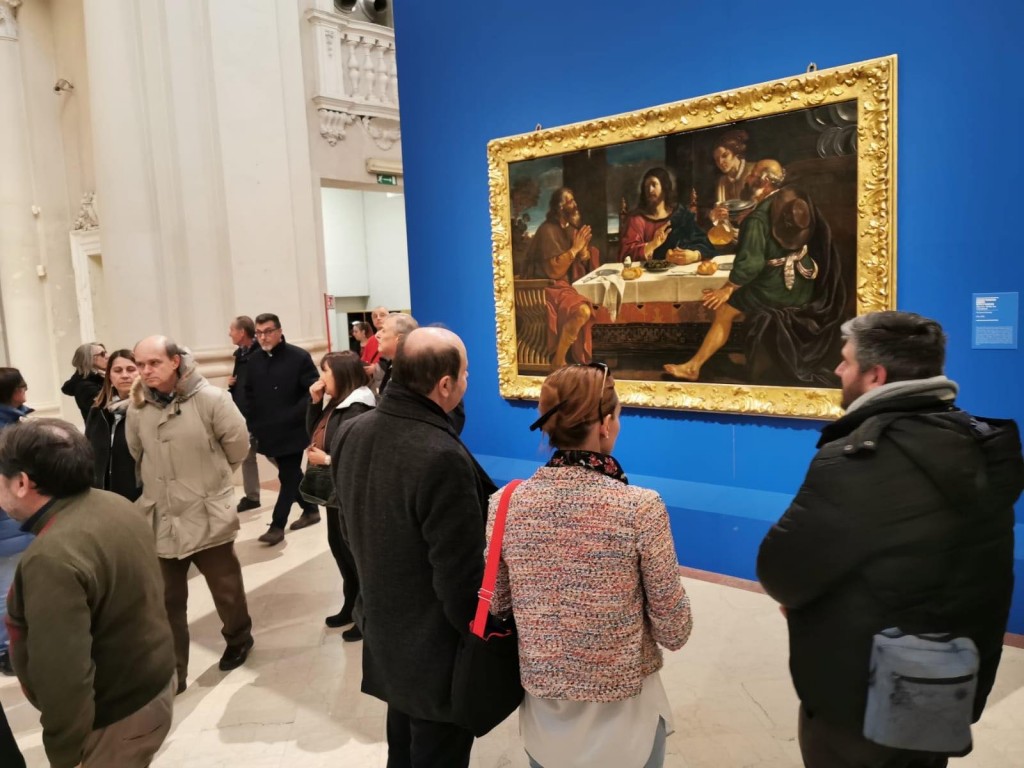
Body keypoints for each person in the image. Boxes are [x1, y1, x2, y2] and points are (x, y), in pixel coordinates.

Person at [757, 311, 1022, 768]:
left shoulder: (857, 459)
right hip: (948, 677)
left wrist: (800, 601)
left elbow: (782, 570)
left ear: (875, 375)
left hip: (861, 688)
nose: (838, 370)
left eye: (845, 361)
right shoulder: (981, 443)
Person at [490, 364, 693, 768]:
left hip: (546, 713)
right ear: (603, 425)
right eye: (617, 416)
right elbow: (675, 630)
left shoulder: (505, 505)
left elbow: (498, 603)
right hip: (626, 717)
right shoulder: (640, 507)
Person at [331, 327, 496, 768]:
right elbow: (459, 577)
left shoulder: (352, 430)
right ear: (445, 384)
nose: (467, 381)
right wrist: (480, 640)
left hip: (386, 631)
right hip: (434, 649)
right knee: (436, 752)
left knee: (402, 746)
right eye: (465, 373)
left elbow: (348, 529)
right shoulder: (441, 455)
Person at [0, 418, 176, 767]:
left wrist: (64, 752)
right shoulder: (113, 503)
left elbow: (64, 676)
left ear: (21, 483)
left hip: (115, 718)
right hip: (153, 687)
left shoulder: (51, 557)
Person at [127, 336, 254, 692]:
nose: (145, 371)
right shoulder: (137, 409)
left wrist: (212, 482)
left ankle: (239, 638)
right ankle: (174, 671)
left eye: (154, 362)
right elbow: (137, 453)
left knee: (226, 589)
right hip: (161, 517)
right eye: (140, 364)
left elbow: (238, 446)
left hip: (206, 512)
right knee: (166, 601)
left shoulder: (212, 399)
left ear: (175, 361)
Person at [664, 159, 846, 384]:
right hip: (803, 283)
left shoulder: (757, 218)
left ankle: (693, 367)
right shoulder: (792, 198)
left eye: (752, 175)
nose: (748, 178)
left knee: (724, 310)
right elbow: (777, 240)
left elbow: (750, 264)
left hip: (779, 289)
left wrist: (727, 289)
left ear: (765, 181)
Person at [306, 350, 375, 642]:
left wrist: (326, 460)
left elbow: (360, 454)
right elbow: (314, 432)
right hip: (334, 490)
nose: (321, 378)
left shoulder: (359, 407)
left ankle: (364, 615)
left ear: (342, 374)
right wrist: (314, 403)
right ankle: (350, 605)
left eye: (326, 371)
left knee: (354, 554)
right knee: (339, 548)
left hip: (350, 490)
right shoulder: (337, 402)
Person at [244, 313, 321, 545]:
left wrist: (297, 416)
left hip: (293, 429)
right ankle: (311, 509)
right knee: (291, 474)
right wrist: (252, 420)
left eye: (268, 331)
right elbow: (249, 394)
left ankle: (277, 525)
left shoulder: (299, 357)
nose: (263, 337)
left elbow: (312, 391)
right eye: (259, 333)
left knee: (287, 476)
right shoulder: (253, 360)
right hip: (266, 430)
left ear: (279, 331)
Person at [525, 187, 599, 367]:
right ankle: (559, 360)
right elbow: (554, 270)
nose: (575, 205)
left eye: (574, 200)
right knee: (582, 311)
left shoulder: (571, 230)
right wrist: (575, 250)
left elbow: (579, 263)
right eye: (570, 201)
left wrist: (584, 255)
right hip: (546, 288)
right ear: (559, 207)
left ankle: (563, 359)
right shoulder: (547, 231)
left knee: (589, 306)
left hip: (564, 288)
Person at [0, 368, 33, 678]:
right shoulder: (6, 431)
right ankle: (6, 650)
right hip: (8, 522)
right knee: (7, 590)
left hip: (12, 522)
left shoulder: (11, 425)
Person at [618, 167, 714, 265]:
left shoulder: (681, 214)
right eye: (646, 186)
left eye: (654, 184)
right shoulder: (636, 219)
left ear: (664, 187)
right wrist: (652, 244)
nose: (650, 190)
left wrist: (695, 255)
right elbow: (625, 256)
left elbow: (705, 243)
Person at [84, 349, 141, 501]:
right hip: (104, 496)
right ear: (109, 375)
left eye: (131, 369)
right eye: (117, 370)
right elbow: (88, 453)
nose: (124, 375)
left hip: (139, 497)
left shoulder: (147, 410)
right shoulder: (98, 411)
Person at [228, 315, 262, 512]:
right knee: (247, 456)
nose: (229, 334)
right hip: (243, 414)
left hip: (258, 414)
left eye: (232, 330)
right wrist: (233, 385)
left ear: (242, 332)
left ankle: (296, 487)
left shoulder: (260, 354)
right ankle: (252, 497)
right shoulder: (240, 354)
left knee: (273, 454)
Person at [61, 342, 108, 421]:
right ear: (89, 359)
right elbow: (107, 409)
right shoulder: (84, 386)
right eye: (102, 354)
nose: (108, 356)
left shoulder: (101, 377)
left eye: (106, 352)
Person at [375, 312, 419, 394]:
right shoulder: (392, 364)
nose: (377, 335)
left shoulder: (412, 373)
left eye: (383, 330)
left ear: (400, 339)